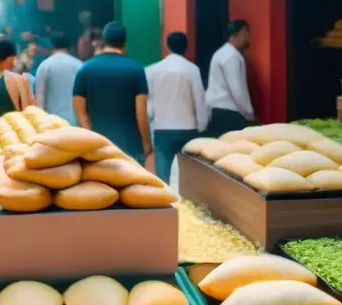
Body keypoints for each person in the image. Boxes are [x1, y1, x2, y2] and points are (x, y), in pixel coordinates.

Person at [73, 22, 153, 166]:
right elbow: (141, 113)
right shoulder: (136, 70)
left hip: (98, 146)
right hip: (130, 147)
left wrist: (90, 138)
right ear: (124, 44)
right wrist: (147, 143)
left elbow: (81, 112)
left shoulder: (85, 69)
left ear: (104, 41)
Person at [146, 32, 209, 183]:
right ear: (186, 47)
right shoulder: (192, 69)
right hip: (188, 129)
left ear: (166, 46)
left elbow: (149, 104)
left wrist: (152, 119)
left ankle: (167, 203)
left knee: (163, 175)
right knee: (189, 176)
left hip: (162, 128)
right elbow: (199, 100)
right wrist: (202, 125)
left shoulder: (153, 70)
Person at [205, 20, 255, 137]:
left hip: (217, 111)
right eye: (247, 33)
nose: (249, 37)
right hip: (229, 114)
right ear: (238, 34)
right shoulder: (232, 56)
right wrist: (249, 115)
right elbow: (237, 90)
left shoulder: (222, 53)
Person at [34, 31, 82, 125]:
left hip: (51, 124)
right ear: (69, 46)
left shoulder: (45, 66)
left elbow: (39, 100)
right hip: (75, 124)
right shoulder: (79, 65)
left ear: (51, 45)